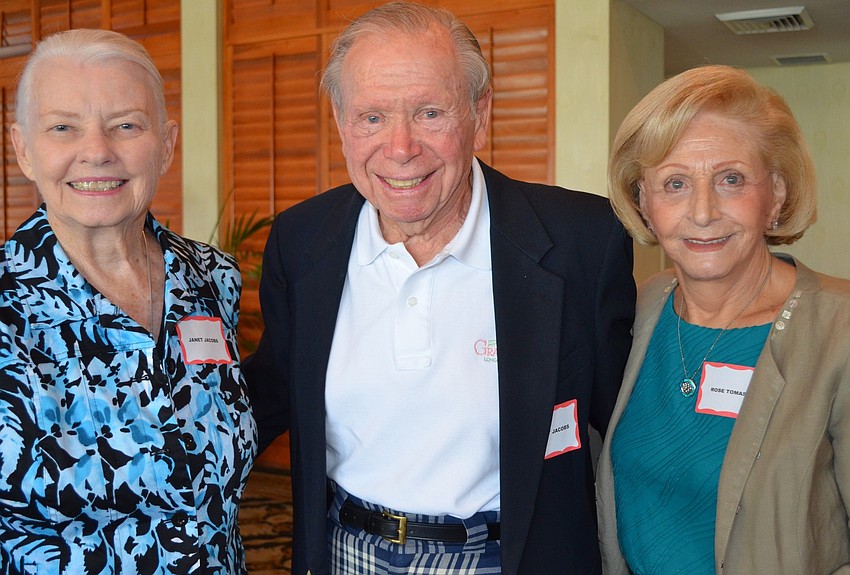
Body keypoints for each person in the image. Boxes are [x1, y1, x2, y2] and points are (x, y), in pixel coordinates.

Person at [243, 2, 635, 574]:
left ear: (481, 111)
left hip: (513, 558)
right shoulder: (301, 241)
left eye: (430, 112)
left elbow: (627, 427)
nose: (400, 148)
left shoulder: (581, 240)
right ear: (339, 119)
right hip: (345, 551)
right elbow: (272, 392)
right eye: (372, 117)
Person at [1, 29, 257, 573]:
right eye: (63, 127)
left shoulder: (213, 279)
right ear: (23, 148)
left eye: (126, 125)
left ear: (166, 145)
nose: (96, 151)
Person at [596, 64, 850, 574]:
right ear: (644, 204)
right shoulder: (633, 310)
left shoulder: (838, 331)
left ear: (775, 194)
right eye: (674, 184)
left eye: (731, 179)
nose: (704, 211)